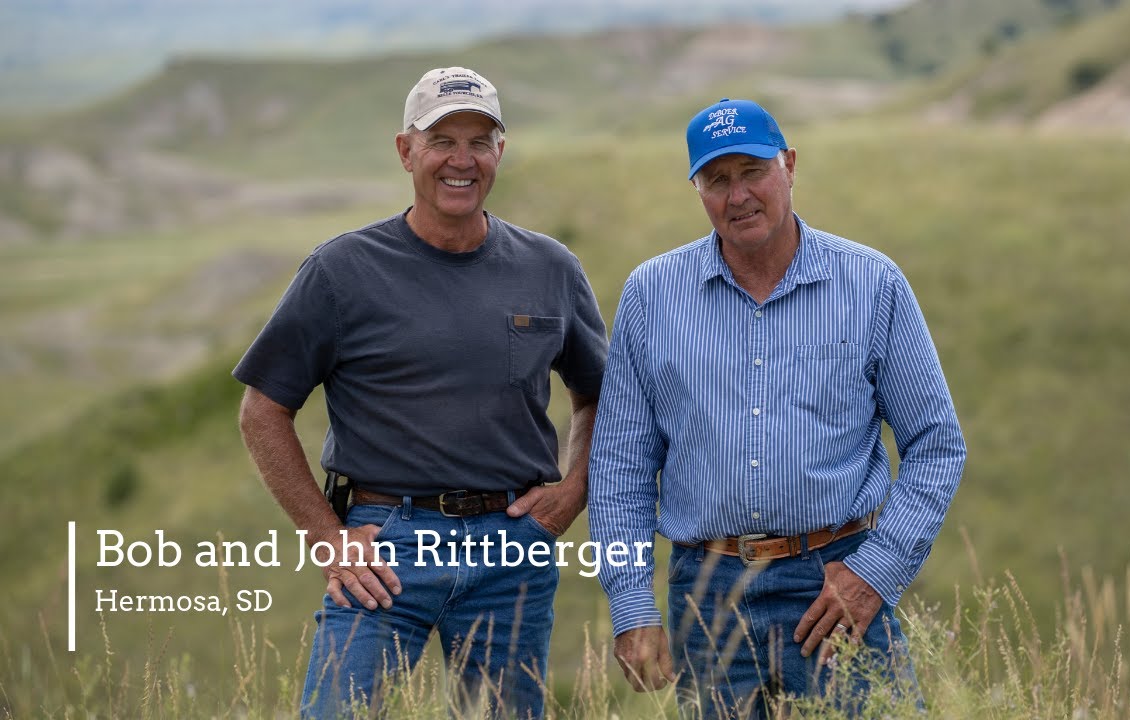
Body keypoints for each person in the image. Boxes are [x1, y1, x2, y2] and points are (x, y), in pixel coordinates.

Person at [234, 66, 607, 719]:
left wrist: (571, 492)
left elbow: (598, 394)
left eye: (479, 141)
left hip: (511, 547)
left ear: (500, 152)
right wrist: (327, 537)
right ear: (407, 151)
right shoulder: (341, 270)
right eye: (442, 141)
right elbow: (262, 410)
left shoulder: (550, 267)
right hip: (383, 547)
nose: (461, 160)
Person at [587, 98, 966, 717]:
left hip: (835, 587)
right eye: (717, 180)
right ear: (698, 189)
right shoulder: (651, 295)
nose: (738, 196)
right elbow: (619, 470)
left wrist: (875, 572)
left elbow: (936, 444)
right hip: (706, 596)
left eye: (753, 171)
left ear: (789, 165)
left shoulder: (872, 284)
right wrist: (632, 605)